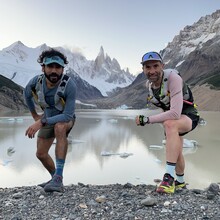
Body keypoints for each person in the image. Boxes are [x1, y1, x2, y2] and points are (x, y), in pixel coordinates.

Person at [136, 51, 200, 193]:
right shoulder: (150, 86)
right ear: (143, 70)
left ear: (162, 66)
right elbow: (166, 107)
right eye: (148, 67)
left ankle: (169, 178)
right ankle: (180, 182)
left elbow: (175, 113)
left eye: (155, 66)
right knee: (175, 150)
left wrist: (147, 120)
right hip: (174, 118)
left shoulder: (173, 78)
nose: (152, 71)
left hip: (189, 114)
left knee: (170, 124)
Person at [24, 48, 76, 192]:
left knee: (59, 127)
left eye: (58, 67)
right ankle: (55, 178)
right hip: (47, 118)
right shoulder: (36, 81)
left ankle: (58, 178)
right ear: (43, 68)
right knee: (40, 154)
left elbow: (67, 115)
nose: (54, 70)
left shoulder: (70, 85)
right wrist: (35, 115)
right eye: (50, 66)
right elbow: (26, 94)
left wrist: (40, 122)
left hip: (64, 118)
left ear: (62, 69)